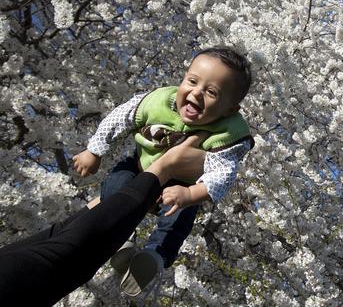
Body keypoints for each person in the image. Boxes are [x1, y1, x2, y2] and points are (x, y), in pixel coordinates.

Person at [71, 46, 255, 296]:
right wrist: (94, 151)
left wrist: (190, 195)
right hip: (139, 169)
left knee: (178, 221)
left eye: (212, 92)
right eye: (192, 81)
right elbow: (119, 118)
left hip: (180, 187)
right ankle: (120, 237)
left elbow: (223, 175)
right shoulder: (157, 101)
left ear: (230, 110)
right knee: (116, 185)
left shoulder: (226, 134)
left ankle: (153, 257)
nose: (196, 93)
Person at [0, 135, 207, 306]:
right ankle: (154, 253)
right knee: (65, 256)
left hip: (139, 179)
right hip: (157, 170)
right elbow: (63, 255)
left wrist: (97, 153)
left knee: (62, 241)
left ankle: (128, 239)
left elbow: (58, 235)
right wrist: (165, 169)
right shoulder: (161, 102)